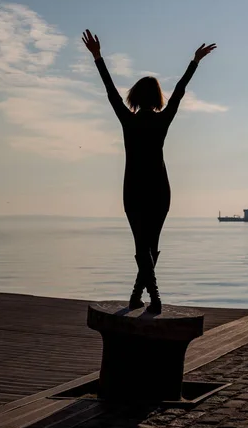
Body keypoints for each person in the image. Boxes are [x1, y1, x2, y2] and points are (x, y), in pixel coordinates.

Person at [82, 29, 216, 314]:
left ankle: (148, 296)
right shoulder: (163, 119)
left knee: (142, 244)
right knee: (150, 244)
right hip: (159, 187)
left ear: (135, 96)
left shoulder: (127, 120)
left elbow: (110, 92)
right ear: (156, 97)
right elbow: (179, 91)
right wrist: (195, 61)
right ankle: (142, 296)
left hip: (133, 189)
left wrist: (98, 57)